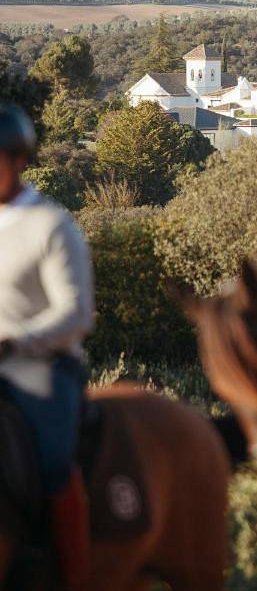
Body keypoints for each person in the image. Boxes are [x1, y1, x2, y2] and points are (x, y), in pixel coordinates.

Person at [0, 103, 94, 589]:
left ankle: (74, 576)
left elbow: (76, 312)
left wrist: (17, 340)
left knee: (53, 461)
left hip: (41, 367)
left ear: (18, 161)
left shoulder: (51, 225)